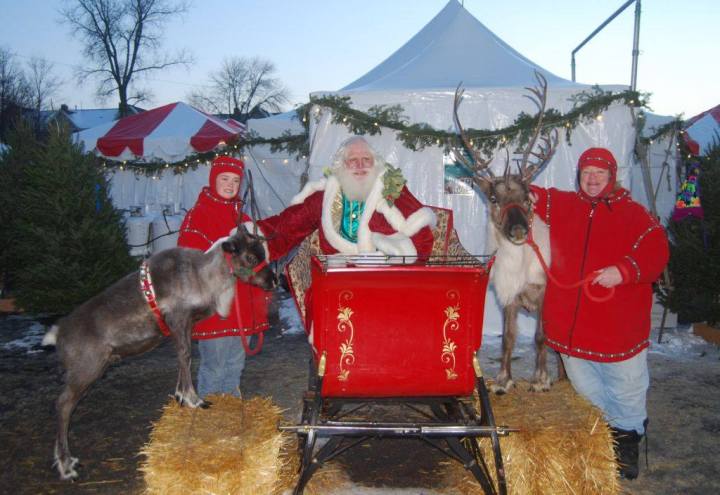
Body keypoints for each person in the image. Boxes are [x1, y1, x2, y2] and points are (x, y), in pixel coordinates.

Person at [530, 147, 669, 480]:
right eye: (585, 173)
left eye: (599, 173)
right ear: (578, 176)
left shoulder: (633, 214)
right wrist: (510, 184)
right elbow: (524, 194)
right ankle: (604, 440)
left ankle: (628, 441)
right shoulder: (563, 204)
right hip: (570, 326)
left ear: (611, 176)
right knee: (586, 388)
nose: (591, 180)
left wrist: (623, 271)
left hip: (617, 326)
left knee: (626, 387)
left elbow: (657, 248)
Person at [255, 136, 436, 327]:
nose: (360, 165)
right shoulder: (327, 195)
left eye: (366, 159)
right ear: (342, 165)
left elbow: (422, 236)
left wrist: (391, 263)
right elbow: (289, 224)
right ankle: (332, 354)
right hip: (339, 276)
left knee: (396, 310)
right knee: (329, 307)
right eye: (352, 160)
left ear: (375, 163)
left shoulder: (392, 189)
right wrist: (255, 239)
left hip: (387, 275)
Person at [177, 155, 270, 399]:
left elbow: (257, 262)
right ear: (213, 179)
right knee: (214, 367)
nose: (230, 185)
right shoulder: (198, 216)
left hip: (242, 308)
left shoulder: (244, 220)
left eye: (235, 181)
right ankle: (209, 421)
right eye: (225, 179)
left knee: (234, 366)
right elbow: (191, 262)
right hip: (216, 309)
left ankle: (229, 417)